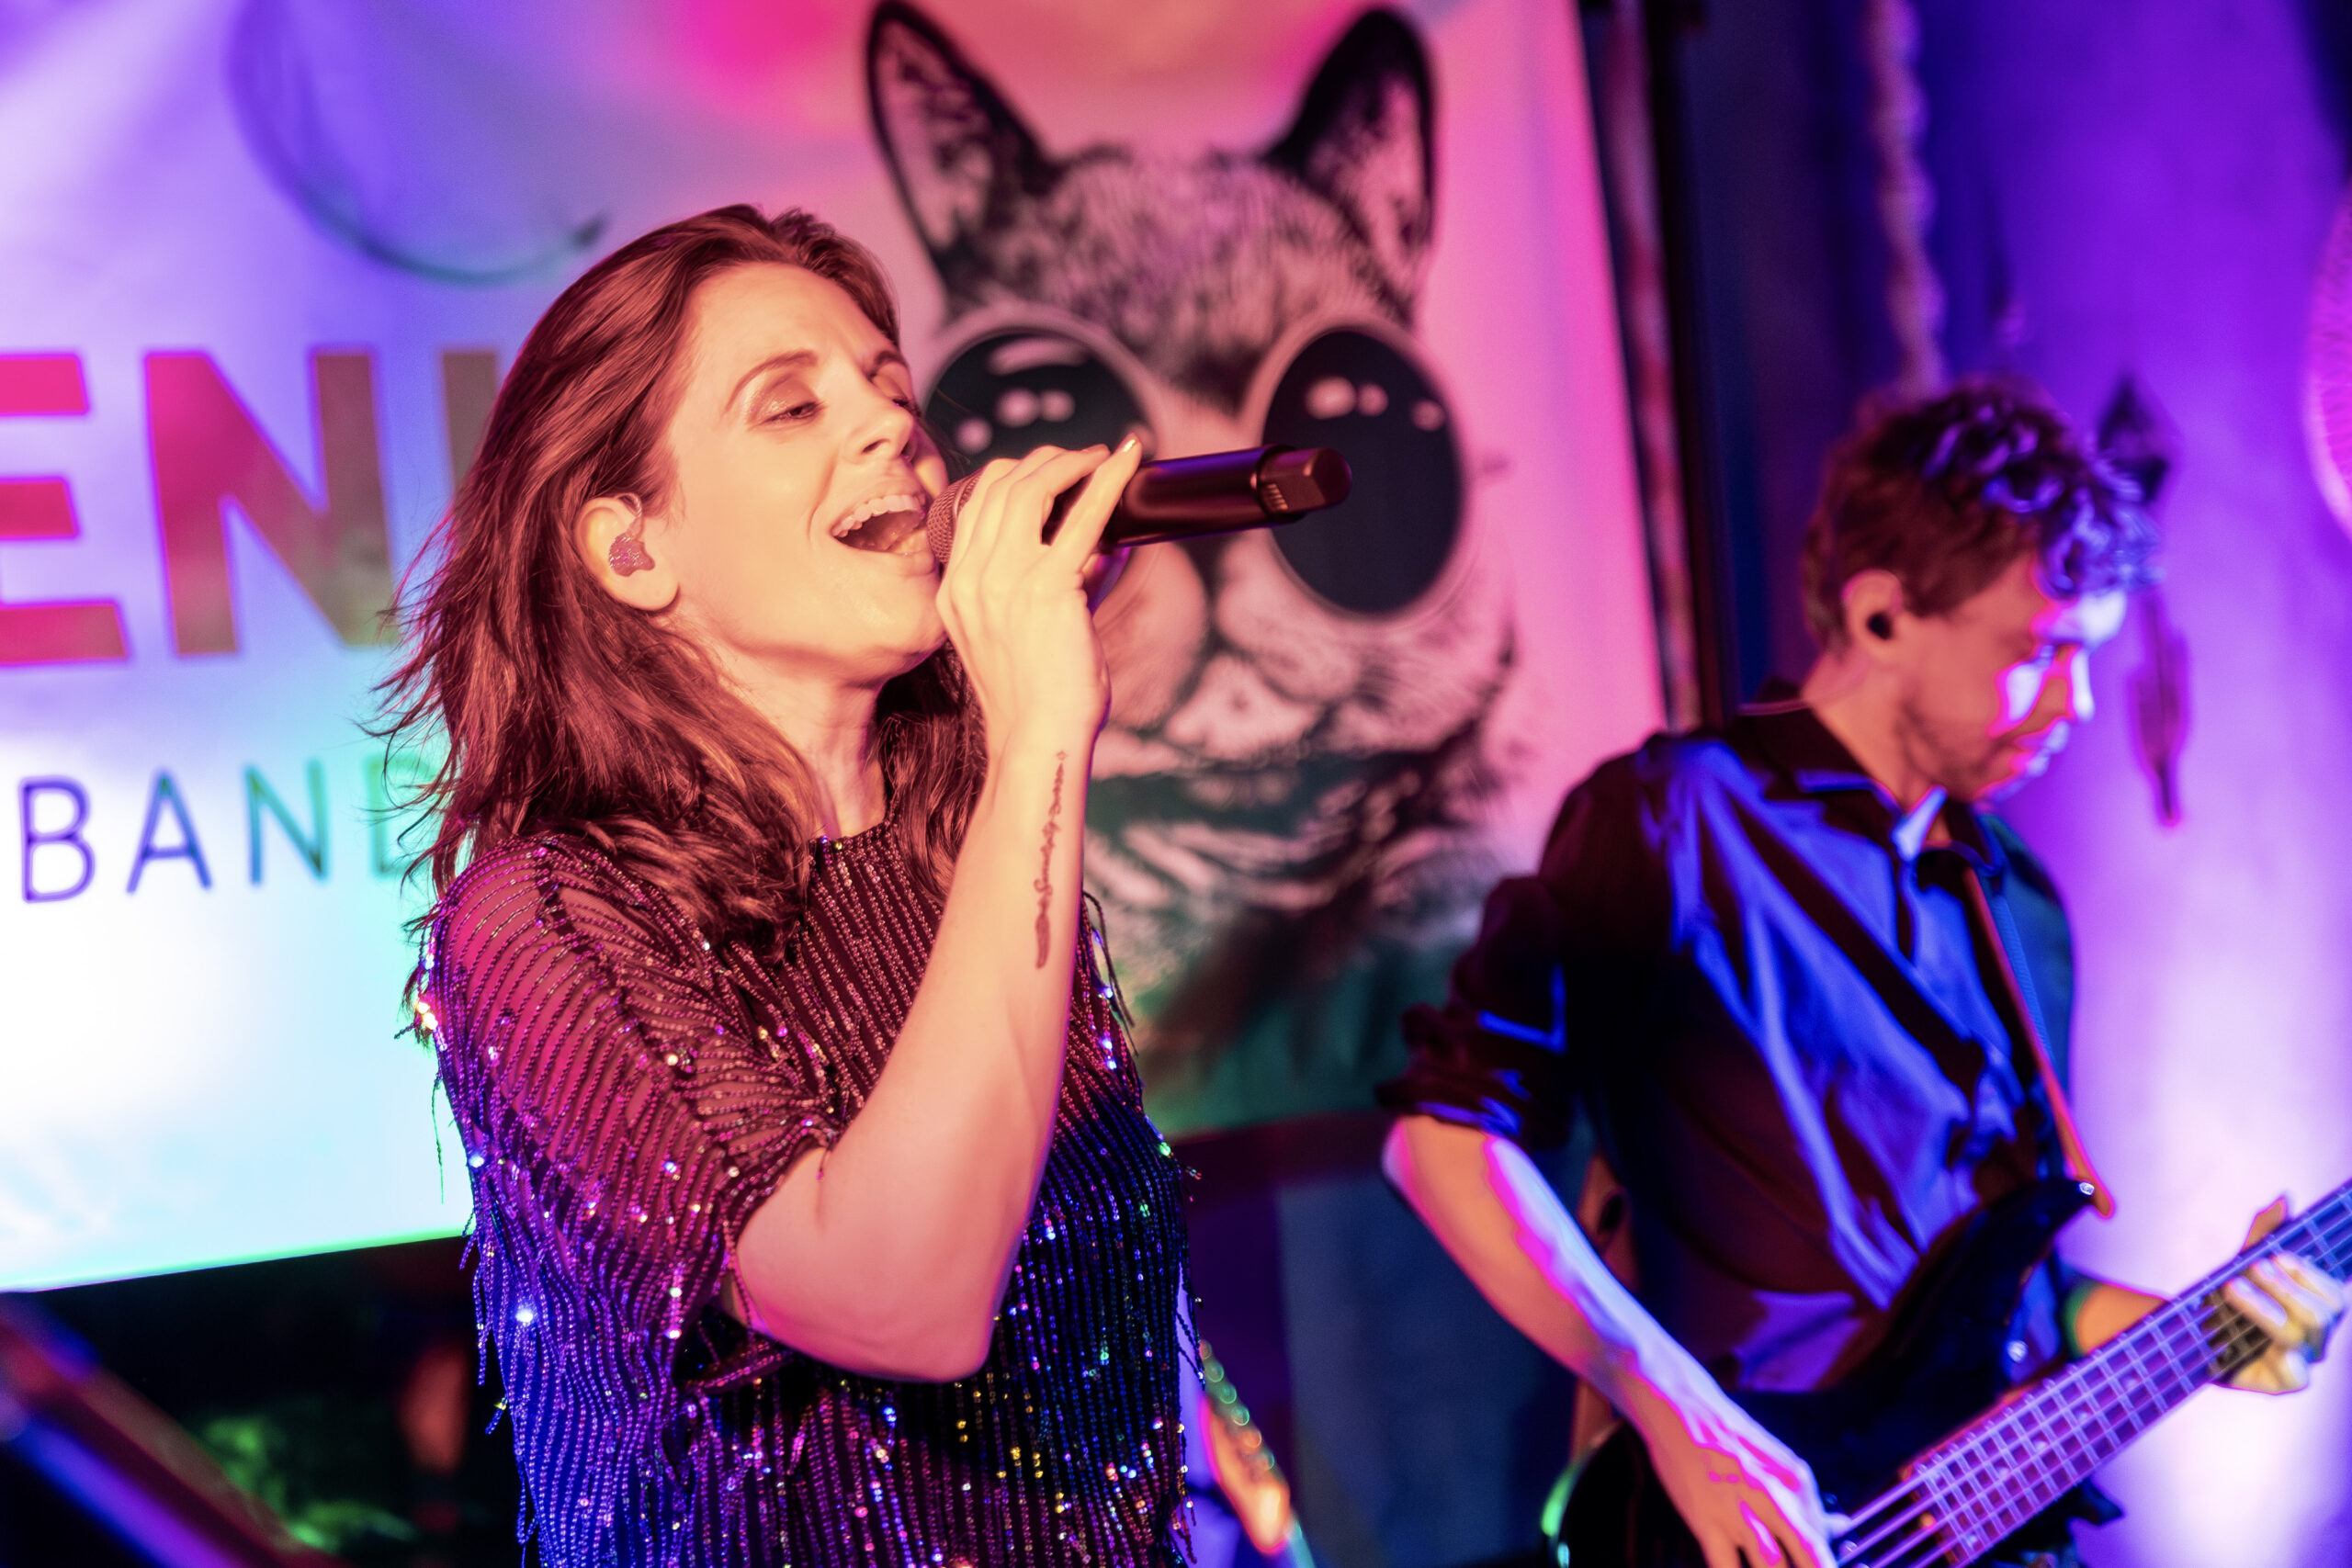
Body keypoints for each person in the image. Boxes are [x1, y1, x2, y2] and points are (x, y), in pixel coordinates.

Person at [1378, 379, 2344, 1568]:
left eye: (2088, 658)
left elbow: (2017, 1293)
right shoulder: (1676, 820)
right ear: (1882, 615)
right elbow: (1443, 1143)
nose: (2078, 703)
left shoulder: (2016, 903)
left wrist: (2217, 1333)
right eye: (2040, 652)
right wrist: (1672, 1409)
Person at [385, 205, 1189, 1567]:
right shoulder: (546, 921)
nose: (893, 429)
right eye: (792, 407)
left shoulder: (963, 858)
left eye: (890, 388)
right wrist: (1043, 730)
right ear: (633, 550)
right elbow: (902, 1297)